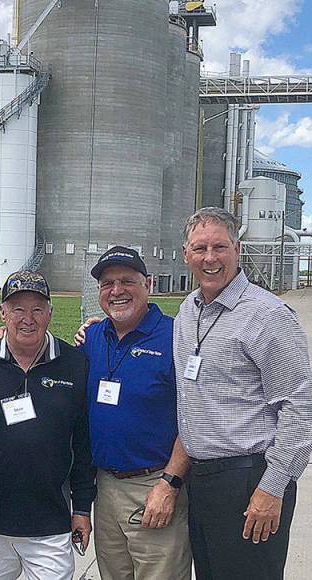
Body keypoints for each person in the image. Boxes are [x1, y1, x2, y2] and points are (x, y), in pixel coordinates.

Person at [176, 207, 312, 580]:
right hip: (203, 481)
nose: (210, 258)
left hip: (250, 481)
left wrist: (272, 488)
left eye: (219, 247)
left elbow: (301, 411)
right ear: (186, 254)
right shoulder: (187, 312)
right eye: (200, 248)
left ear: (238, 250)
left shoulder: (266, 315)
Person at [0, 270, 95, 580]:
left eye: (37, 309)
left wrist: (82, 508)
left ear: (50, 312)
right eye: (18, 309)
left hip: (50, 524)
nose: (28, 318)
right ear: (2, 313)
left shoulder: (75, 364)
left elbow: (83, 444)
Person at [78, 246, 192, 580]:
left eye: (127, 281)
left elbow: (194, 418)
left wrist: (169, 483)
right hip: (105, 486)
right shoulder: (92, 337)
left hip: (154, 485)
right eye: (107, 283)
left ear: (149, 284)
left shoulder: (176, 336)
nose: (116, 290)